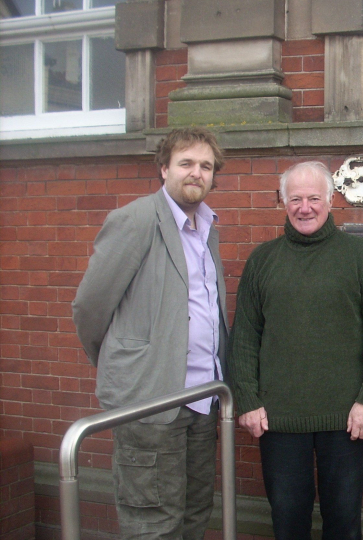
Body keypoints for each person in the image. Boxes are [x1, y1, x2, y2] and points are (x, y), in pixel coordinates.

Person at [229, 161, 363, 540]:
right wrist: (247, 400)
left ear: (331, 199)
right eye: (295, 199)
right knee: (288, 520)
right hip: (279, 421)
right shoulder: (262, 261)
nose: (305, 207)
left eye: (314, 198)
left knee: (343, 522)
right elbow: (243, 337)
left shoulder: (360, 256)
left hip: (346, 421)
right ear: (283, 202)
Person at [72, 127, 228, 540]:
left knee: (195, 515)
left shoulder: (208, 228)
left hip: (202, 400)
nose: (196, 173)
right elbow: (90, 308)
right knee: (153, 524)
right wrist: (127, 367)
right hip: (151, 404)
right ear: (164, 168)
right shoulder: (135, 220)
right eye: (186, 163)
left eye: (206, 166)